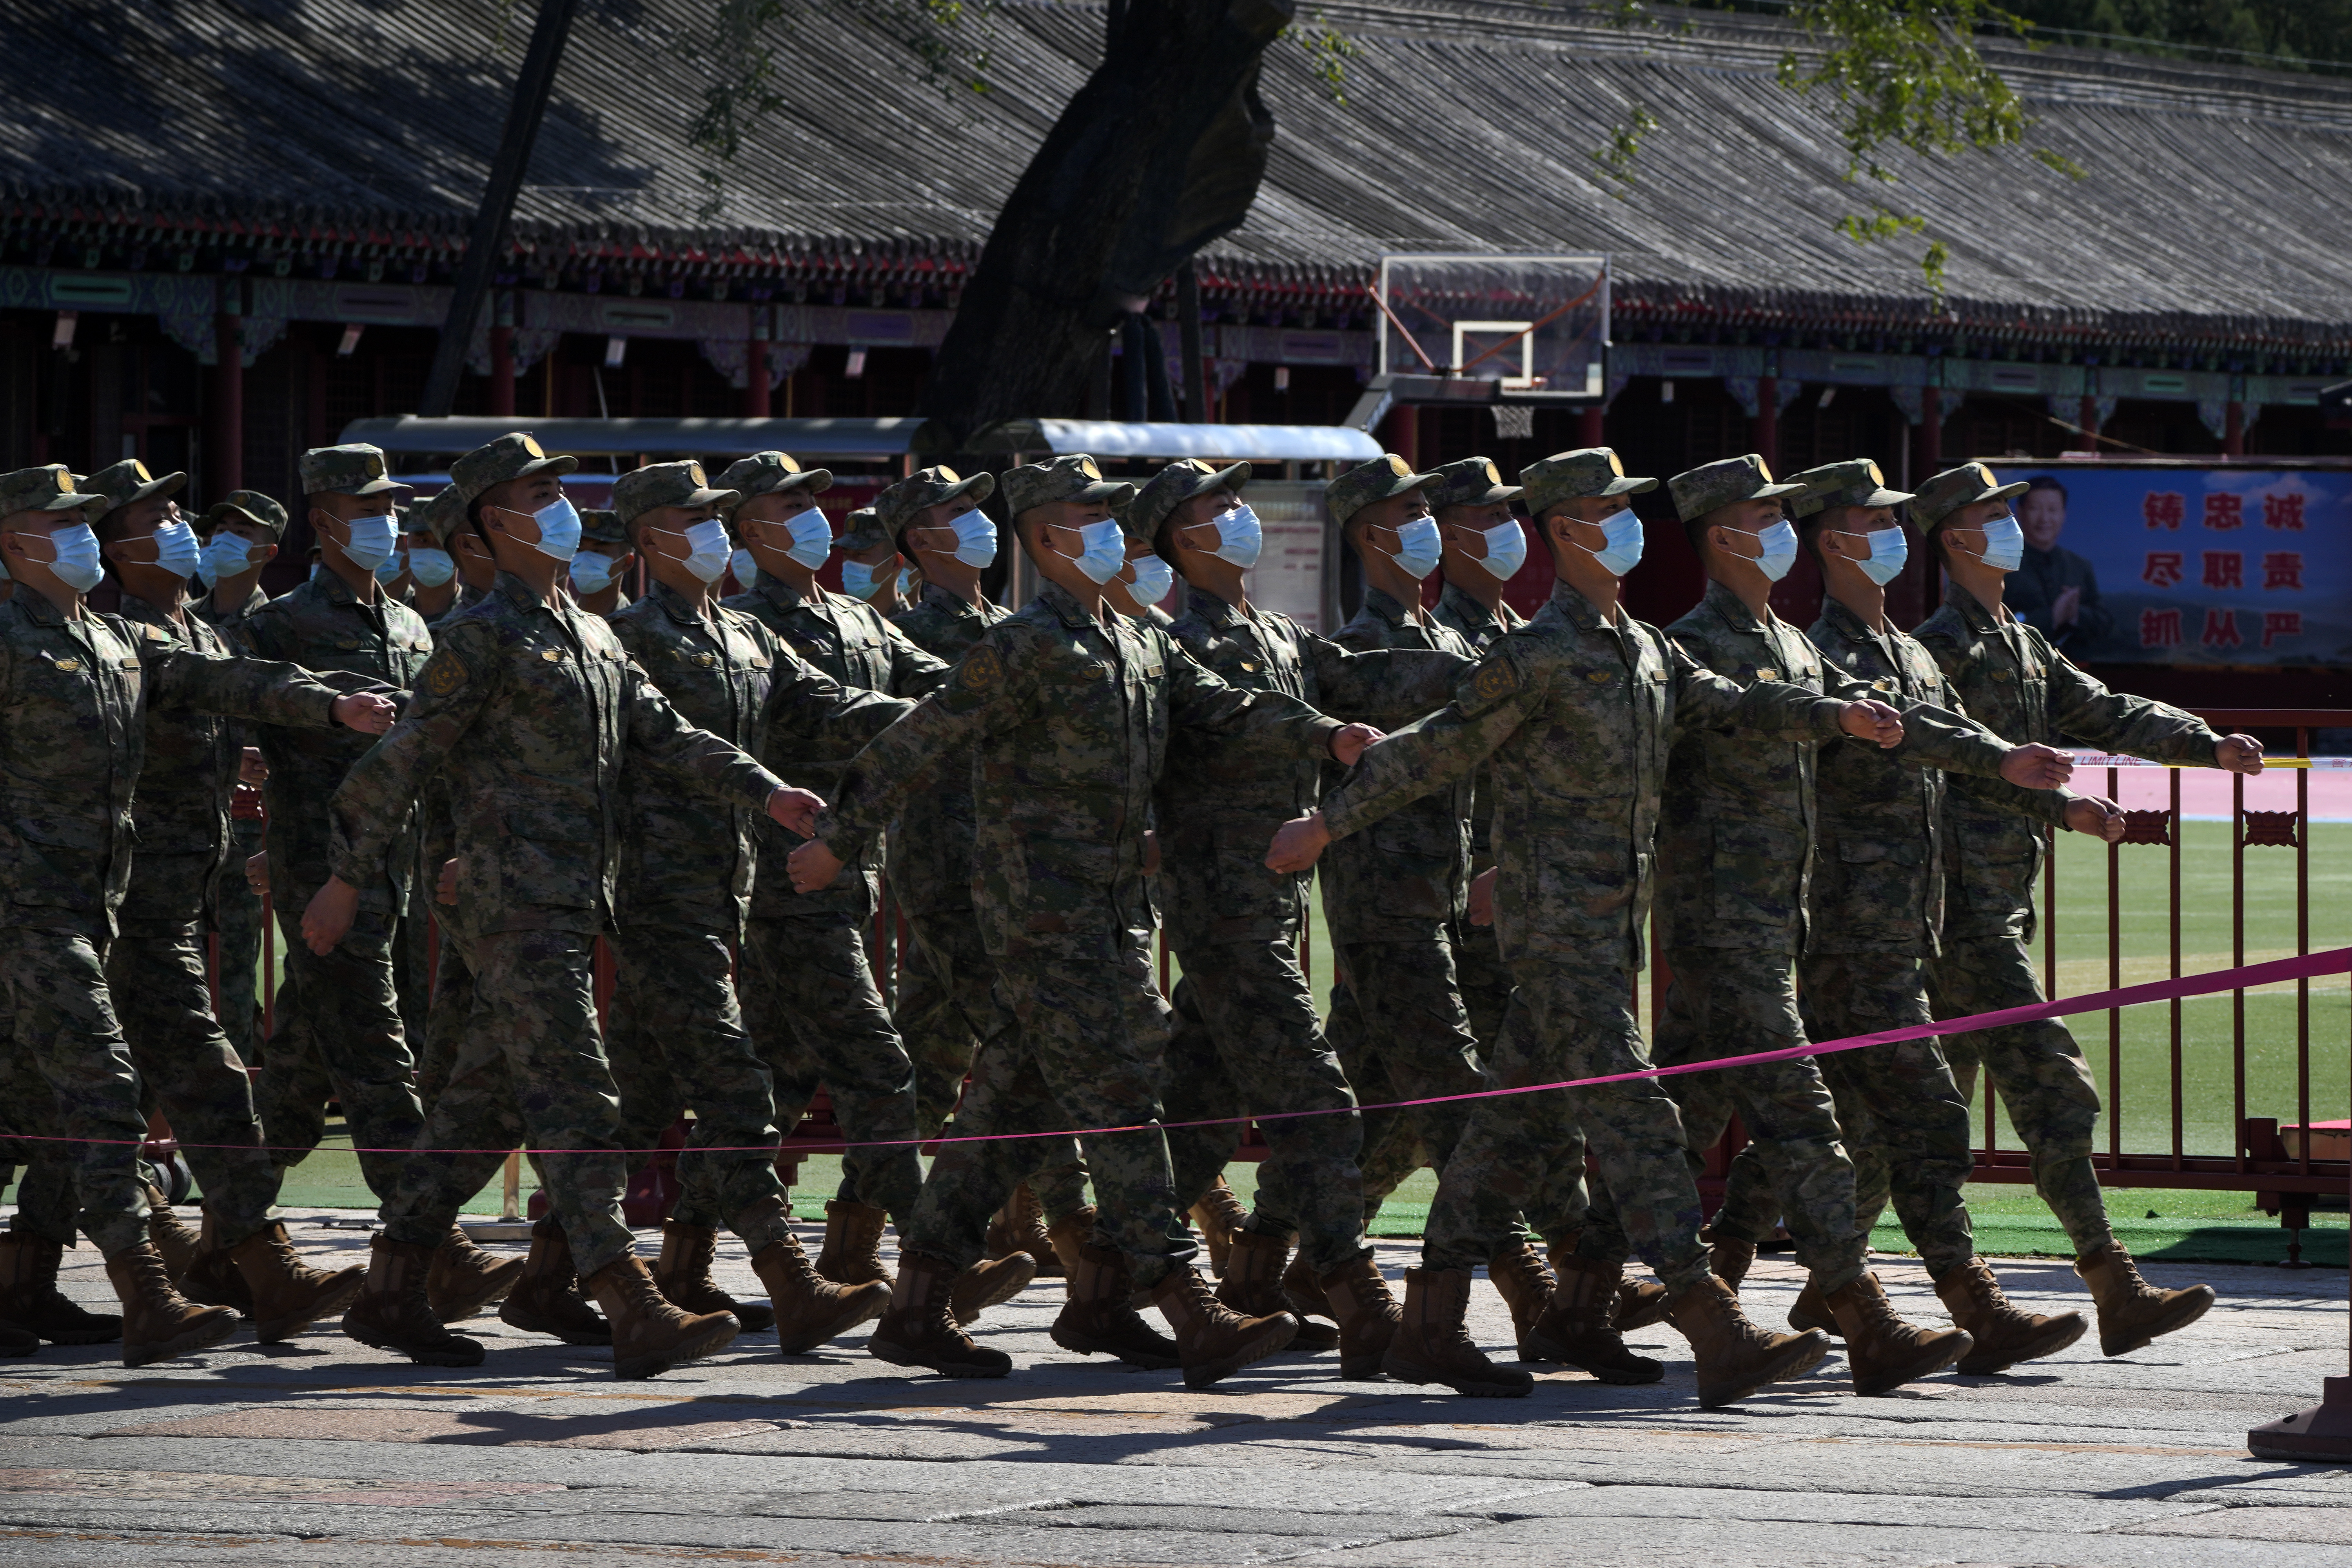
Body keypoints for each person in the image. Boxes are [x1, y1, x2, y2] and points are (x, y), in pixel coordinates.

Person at [1265, 445, 1927, 1405]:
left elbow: (1734, 704)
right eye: (1605, 509)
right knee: (1640, 1118)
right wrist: (1327, 822)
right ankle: (1717, 1328)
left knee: (1504, 1128)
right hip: (1556, 930)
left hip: (1606, 931)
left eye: (1629, 504)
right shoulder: (1532, 656)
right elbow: (1435, 749)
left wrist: (1832, 715)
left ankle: (1432, 1327)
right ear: (1565, 530)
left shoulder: (1646, 647)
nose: (1627, 522)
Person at [788, 453, 1381, 1387]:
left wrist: (1322, 735)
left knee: (1008, 1107)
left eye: (1113, 511)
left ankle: (913, 1305)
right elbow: (918, 736)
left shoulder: (1137, 640)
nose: (1110, 528)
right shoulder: (1026, 645)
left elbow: (1220, 705)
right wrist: (839, 838)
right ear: (1045, 537)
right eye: (1088, 513)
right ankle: (1192, 1306)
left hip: (1112, 912)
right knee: (1118, 1100)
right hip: (1039, 915)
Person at [307, 430, 819, 1377]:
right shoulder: (479, 637)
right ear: (494, 522)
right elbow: (401, 761)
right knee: (580, 1092)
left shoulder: (584, 629)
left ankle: (388, 1288)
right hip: (512, 902)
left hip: (577, 900)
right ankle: (630, 1300)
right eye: (537, 495)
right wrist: (345, 876)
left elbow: (670, 735)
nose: (562, 508)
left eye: (560, 490)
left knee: (479, 1106)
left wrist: (767, 793)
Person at [1632, 454, 2070, 1396]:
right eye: (1766, 516)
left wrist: (2003, 764)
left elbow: (1905, 721)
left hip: (1793, 930)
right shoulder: (1688, 646)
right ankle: (1895, 1311)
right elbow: (1650, 768)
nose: (1781, 531)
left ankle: (1604, 1291)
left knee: (1696, 1123)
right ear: (1723, 535)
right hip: (1736, 928)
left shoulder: (1795, 642)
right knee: (1808, 1117)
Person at [0, 463, 392, 1366]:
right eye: (61, 524)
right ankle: (151, 1293)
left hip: (114, 905)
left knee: (121, 1089)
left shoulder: (113, 639)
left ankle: (232, 1263)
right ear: (17, 541)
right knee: (101, 1093)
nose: (79, 539)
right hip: (30, 913)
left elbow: (230, 680)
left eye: (85, 523)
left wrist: (331, 703)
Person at [1912, 460, 2263, 1358]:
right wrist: (2055, 807)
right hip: (1963, 914)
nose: (2013, 523)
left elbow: (2100, 709)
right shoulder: (1938, 650)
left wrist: (2203, 744)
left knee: (1903, 1108)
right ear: (1956, 537)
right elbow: (1956, 768)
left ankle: (1752, 1267)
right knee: (2052, 1084)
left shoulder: (2020, 641)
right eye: (1994, 514)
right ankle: (2112, 1283)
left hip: (1999, 904)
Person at [1145, 456, 1467, 1377]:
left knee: (1199, 1111)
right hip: (1225, 909)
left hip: (1266, 907)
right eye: (1222, 505)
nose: (1243, 515)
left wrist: (1486, 681)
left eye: (1241, 499)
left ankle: (1100, 1282)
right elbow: (1241, 711)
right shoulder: (1182, 641)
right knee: (1321, 1108)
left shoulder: (1278, 630)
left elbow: (1374, 679)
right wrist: (1319, 733)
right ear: (1182, 534)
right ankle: (1357, 1299)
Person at [603, 460, 918, 1354]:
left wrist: (951, 715)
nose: (706, 528)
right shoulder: (628, 638)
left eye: (713, 513)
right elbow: (631, 748)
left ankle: (557, 1271)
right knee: (744, 1089)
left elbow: (830, 702)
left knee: (638, 1096)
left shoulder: (742, 639)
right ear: (648, 537)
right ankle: (808, 1278)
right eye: (690, 516)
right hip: (660, 893)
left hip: (725, 892)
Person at [717, 452, 993, 1300]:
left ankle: (688, 1260)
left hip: (842, 879)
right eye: (787, 502)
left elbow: (931, 680)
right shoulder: (748, 623)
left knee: (780, 1078)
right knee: (880, 1066)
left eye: (812, 497)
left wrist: (984, 697)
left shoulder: (857, 617)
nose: (811, 511)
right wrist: (953, 713)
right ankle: (932, 1263)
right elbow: (834, 708)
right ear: (748, 526)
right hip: (785, 875)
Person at [881, 472, 1089, 1275]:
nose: (976, 522)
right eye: (952, 513)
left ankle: (858, 1237)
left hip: (1009, 871)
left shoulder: (1007, 624)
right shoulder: (909, 633)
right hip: (948, 870)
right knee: (1027, 1041)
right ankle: (1080, 1241)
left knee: (930, 1059)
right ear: (918, 541)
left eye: (977, 508)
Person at [1314, 456, 1487, 1257]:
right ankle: (1530, 1281)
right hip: (1385, 904)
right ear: (1371, 533)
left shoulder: (1445, 635)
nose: (1431, 524)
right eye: (1413, 511)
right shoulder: (1358, 652)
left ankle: (1281, 1251)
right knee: (1457, 1098)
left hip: (1434, 901)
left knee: (1374, 1097)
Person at [191, 490, 287, 1081]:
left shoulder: (277, 627)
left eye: (241, 530)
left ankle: (235, 1084)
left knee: (235, 962)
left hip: (253, 820)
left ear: (268, 549)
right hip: (189, 817)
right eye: (220, 526)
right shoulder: (186, 620)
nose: (225, 536)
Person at [2005, 476, 2112, 653]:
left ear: (2064, 515)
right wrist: (2053, 617)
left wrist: (2075, 614)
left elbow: (2105, 623)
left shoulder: (2079, 566)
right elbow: (1997, 625)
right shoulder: (2002, 565)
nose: (2045, 518)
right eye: (2035, 509)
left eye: (2053, 510)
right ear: (2020, 512)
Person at [569, 508, 632, 615]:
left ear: (627, 562)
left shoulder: (639, 627)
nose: (585, 558)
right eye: (578, 549)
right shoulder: (559, 623)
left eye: (598, 551)